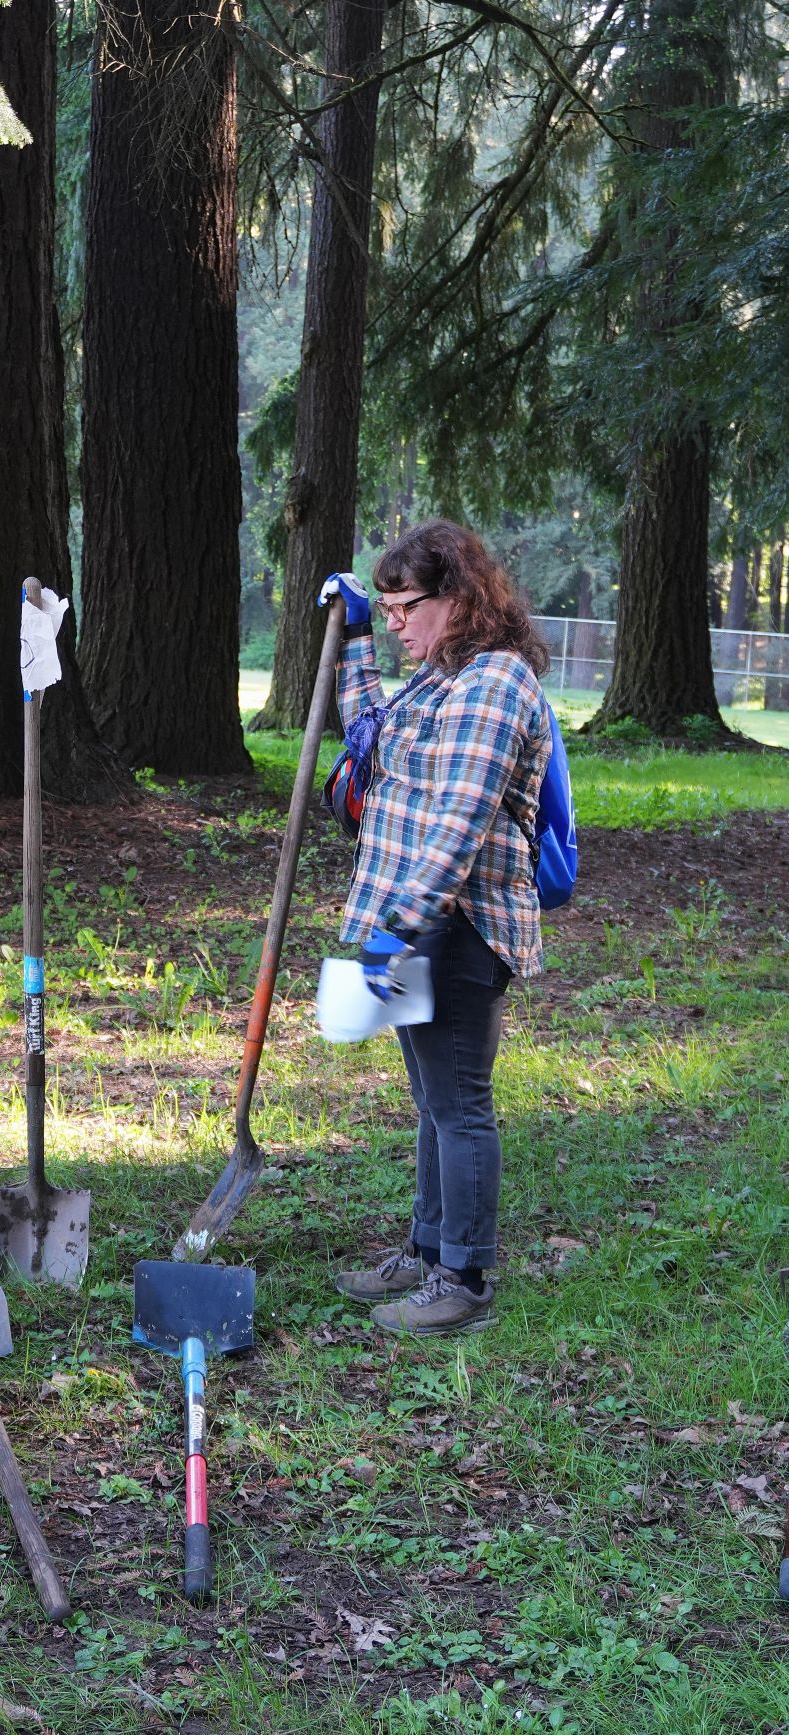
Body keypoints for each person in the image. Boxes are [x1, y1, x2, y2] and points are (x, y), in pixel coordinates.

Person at [326, 519, 551, 1337]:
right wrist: (355, 635)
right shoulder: (439, 676)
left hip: (460, 924)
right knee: (431, 1100)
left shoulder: (495, 683)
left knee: (458, 1103)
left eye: (404, 608)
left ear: (457, 597)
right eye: (386, 611)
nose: (397, 625)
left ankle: (464, 1279)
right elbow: (371, 738)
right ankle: (427, 1252)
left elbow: (459, 824)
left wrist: (398, 929)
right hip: (415, 919)